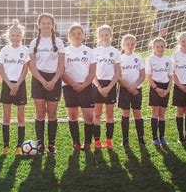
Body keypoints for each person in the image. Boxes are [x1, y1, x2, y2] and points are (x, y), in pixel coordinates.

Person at [28, 13, 65, 155]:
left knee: (52, 112)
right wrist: (43, 81)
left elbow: (61, 65)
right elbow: (32, 66)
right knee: (40, 112)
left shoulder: (59, 42)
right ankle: (40, 144)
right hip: (38, 79)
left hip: (54, 78)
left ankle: (51, 145)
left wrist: (54, 81)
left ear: (52, 25)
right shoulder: (33, 43)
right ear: (39, 25)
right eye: (43, 23)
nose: (46, 25)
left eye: (48, 23)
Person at [62, 23, 97, 151]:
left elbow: (92, 72)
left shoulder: (89, 51)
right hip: (69, 87)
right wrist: (73, 84)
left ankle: (88, 142)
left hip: (86, 87)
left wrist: (84, 85)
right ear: (69, 36)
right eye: (73, 33)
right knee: (72, 115)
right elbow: (62, 71)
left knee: (89, 116)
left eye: (79, 33)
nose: (76, 36)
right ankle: (76, 142)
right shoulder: (64, 51)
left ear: (83, 35)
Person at [0, 20, 29, 155]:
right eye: (13, 35)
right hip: (7, 84)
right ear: (8, 36)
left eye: (18, 35)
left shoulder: (25, 50)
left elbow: (25, 69)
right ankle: (6, 146)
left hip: (20, 85)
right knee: (6, 116)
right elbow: (1, 69)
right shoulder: (4, 50)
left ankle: (19, 146)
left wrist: (17, 84)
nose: (15, 37)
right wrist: (10, 84)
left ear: (21, 36)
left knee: (21, 117)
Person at [92, 24, 121, 150]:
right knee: (96, 114)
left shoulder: (115, 52)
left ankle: (109, 140)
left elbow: (118, 73)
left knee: (110, 114)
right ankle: (97, 141)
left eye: (107, 35)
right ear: (98, 37)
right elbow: (91, 73)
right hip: (97, 85)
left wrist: (108, 88)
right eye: (102, 35)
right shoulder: (94, 52)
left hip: (111, 85)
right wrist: (99, 87)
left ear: (111, 36)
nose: (104, 37)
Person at [118, 34, 145, 146]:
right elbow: (118, 76)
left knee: (137, 112)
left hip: (136, 89)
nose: (130, 46)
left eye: (132, 44)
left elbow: (142, 75)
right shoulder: (119, 58)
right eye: (127, 44)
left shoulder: (138, 57)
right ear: (123, 45)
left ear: (135, 45)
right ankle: (125, 140)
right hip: (124, 89)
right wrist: (128, 87)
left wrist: (135, 86)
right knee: (125, 114)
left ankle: (141, 139)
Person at [146, 37, 173, 146]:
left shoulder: (169, 60)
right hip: (155, 87)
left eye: (162, 46)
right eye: (157, 46)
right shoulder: (150, 59)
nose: (160, 48)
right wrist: (157, 88)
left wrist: (167, 90)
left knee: (162, 113)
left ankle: (162, 136)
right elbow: (148, 76)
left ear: (165, 47)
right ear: (153, 47)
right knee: (155, 112)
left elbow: (171, 77)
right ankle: (155, 137)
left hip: (165, 87)